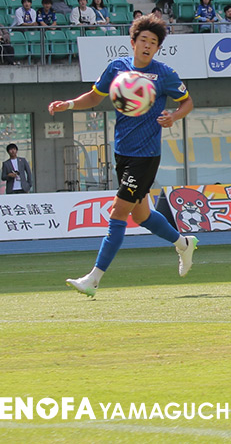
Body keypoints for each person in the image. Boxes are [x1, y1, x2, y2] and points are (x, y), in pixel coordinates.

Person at [50, 15, 196, 297]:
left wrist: (174, 117)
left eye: (153, 42)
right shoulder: (117, 68)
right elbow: (95, 96)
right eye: (144, 40)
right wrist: (68, 104)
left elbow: (187, 102)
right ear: (133, 42)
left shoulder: (164, 73)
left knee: (118, 212)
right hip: (122, 153)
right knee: (141, 215)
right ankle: (183, 243)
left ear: (158, 48)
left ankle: (93, 279)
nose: (148, 45)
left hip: (146, 155)